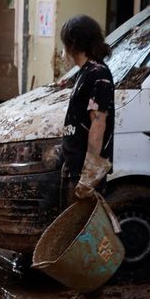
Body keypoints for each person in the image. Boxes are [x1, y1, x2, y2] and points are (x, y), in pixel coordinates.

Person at [59, 15, 114, 201]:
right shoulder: (85, 72)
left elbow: (98, 124)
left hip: (84, 172)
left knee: (84, 229)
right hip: (74, 166)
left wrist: (89, 176)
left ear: (72, 43)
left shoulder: (98, 74)